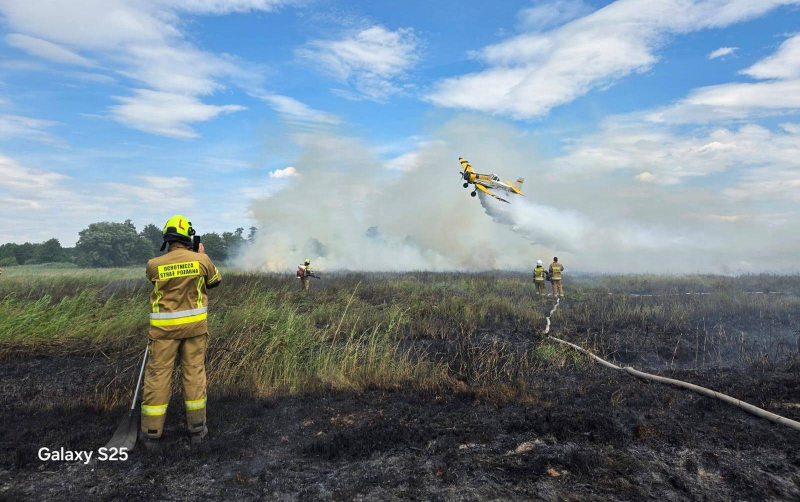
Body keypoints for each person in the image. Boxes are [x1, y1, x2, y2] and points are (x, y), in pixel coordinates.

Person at [141, 215, 222, 447]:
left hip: (163, 332)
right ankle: (197, 430)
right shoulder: (200, 261)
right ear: (189, 237)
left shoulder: (153, 264)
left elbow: (156, 282)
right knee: (194, 374)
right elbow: (215, 280)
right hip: (195, 330)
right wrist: (202, 255)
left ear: (167, 239)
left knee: (158, 377)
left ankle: (152, 433)